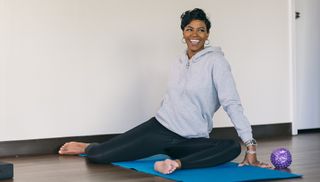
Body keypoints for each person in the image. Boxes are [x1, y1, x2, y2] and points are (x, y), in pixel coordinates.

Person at [59, 8, 272, 174]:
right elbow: (171, 98)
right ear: (183, 33)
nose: (195, 34)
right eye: (189, 29)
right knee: (98, 156)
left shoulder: (217, 62)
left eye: (201, 29)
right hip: (161, 129)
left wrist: (250, 146)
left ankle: (175, 164)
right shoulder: (179, 61)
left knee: (231, 148)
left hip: (191, 139)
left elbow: (231, 103)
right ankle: (88, 146)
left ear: (207, 34)